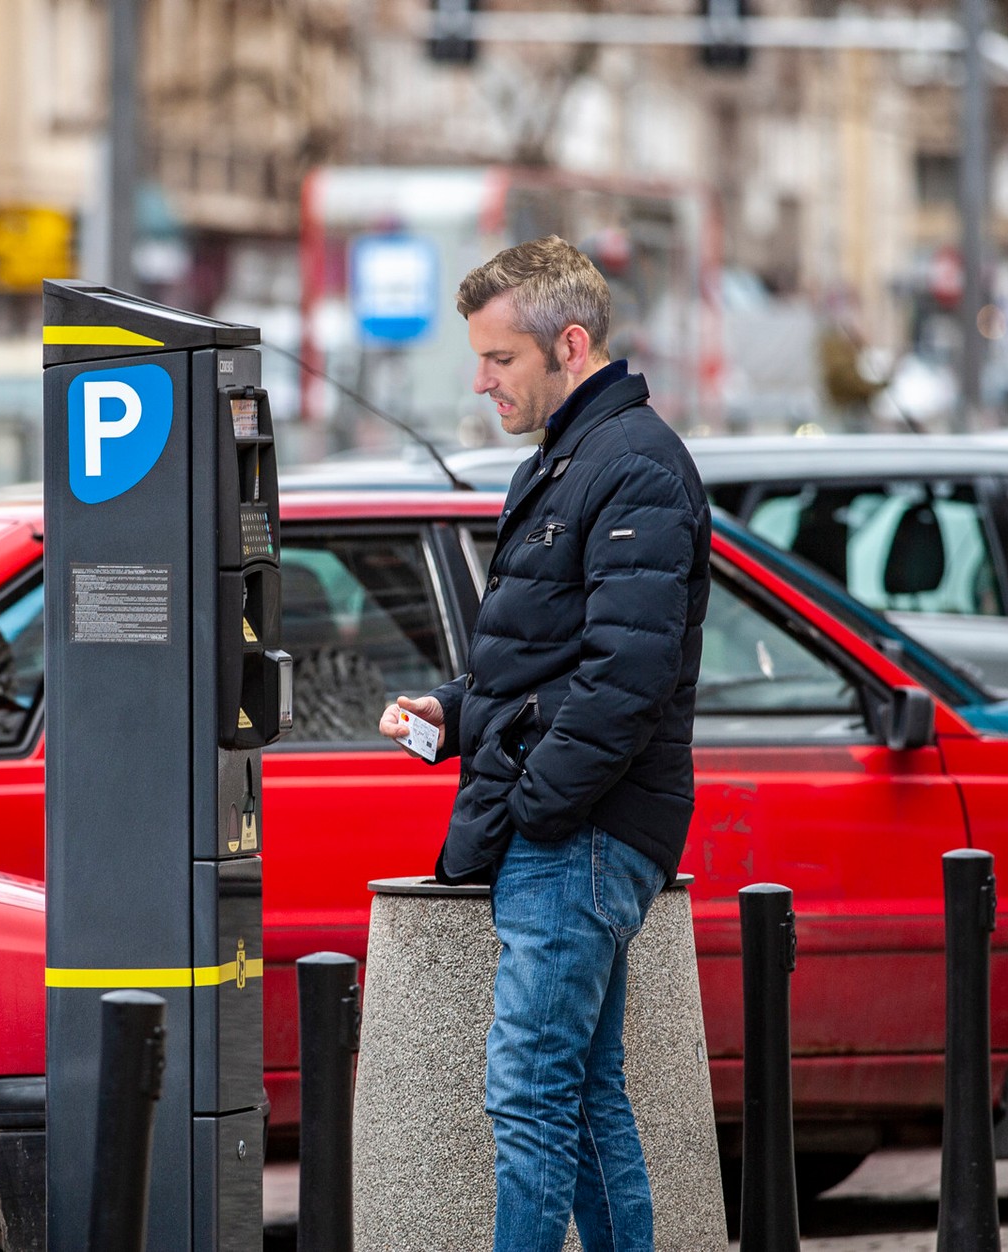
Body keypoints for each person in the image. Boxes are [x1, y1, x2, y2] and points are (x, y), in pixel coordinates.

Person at [378, 235, 711, 1252]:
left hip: (584, 829)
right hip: (576, 822)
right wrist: (452, 711)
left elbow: (625, 679)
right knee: (577, 1098)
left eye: (499, 359)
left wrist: (537, 804)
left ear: (569, 345)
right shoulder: (578, 458)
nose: (479, 381)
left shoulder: (630, 467)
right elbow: (543, 661)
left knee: (527, 1093)